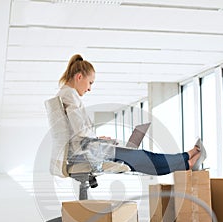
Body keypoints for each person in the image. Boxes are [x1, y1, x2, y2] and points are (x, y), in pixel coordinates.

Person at [56, 54, 206, 176]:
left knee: (140, 157)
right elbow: (80, 130)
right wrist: (96, 139)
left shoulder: (67, 95)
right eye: (90, 82)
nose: (89, 89)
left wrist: (97, 139)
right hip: (88, 153)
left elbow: (78, 131)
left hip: (88, 149)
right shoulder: (69, 96)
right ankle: (187, 159)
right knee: (141, 158)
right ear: (79, 77)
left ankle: (186, 161)